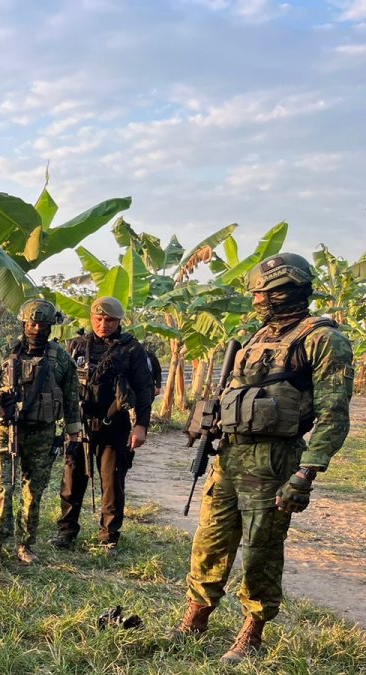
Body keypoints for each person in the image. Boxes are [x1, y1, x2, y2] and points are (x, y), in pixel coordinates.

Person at [170, 253, 354, 664]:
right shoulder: (256, 337)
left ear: (289, 291)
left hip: (274, 461)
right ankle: (196, 616)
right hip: (230, 456)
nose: (258, 300)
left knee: (261, 550)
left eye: (266, 293)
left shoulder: (322, 339)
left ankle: (252, 632)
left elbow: (333, 414)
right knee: (210, 542)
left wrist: (307, 473)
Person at [0, 299, 82, 567]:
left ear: (51, 325)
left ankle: (25, 545)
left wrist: (74, 436)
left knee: (33, 492)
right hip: (5, 431)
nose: (37, 328)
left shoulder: (61, 359)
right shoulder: (5, 354)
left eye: (42, 324)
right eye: (32, 323)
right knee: (2, 488)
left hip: (42, 434)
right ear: (23, 323)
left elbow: (70, 400)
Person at [51, 296, 154, 554]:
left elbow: (144, 390)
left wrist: (140, 426)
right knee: (71, 480)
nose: (103, 324)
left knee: (111, 483)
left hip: (115, 426)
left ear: (119, 321)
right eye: (98, 318)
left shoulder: (131, 349)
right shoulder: (77, 345)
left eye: (109, 320)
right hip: (80, 425)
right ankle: (66, 531)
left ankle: (109, 536)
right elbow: (60, 384)